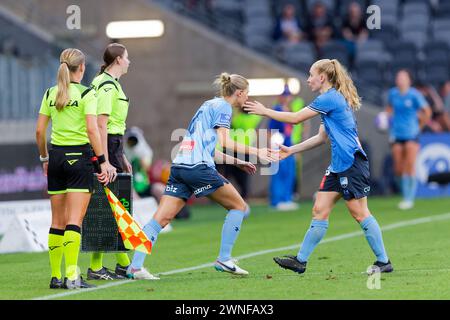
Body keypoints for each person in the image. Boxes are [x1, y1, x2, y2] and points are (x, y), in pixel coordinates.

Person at [244, 59, 393, 275]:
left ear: (322, 77)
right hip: (338, 166)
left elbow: (295, 119)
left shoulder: (330, 98)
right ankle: (300, 261)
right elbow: (321, 137)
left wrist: (265, 110)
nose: (308, 79)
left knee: (359, 213)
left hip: (351, 164)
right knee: (319, 209)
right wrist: (292, 150)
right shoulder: (329, 100)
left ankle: (383, 261)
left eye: (311, 74)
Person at [126, 73, 278, 280]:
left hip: (180, 167)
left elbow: (210, 149)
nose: (247, 98)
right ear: (240, 93)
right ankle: (224, 259)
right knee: (239, 207)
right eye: (247, 94)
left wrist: (237, 161)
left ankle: (135, 267)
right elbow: (225, 142)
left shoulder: (207, 106)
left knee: (160, 219)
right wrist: (257, 152)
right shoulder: (224, 108)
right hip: (198, 169)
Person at [35, 48, 109, 289]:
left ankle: (56, 277)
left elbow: (39, 132)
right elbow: (92, 130)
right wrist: (102, 160)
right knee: (74, 221)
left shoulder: (50, 93)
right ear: (83, 68)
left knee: (57, 221)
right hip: (79, 158)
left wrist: (44, 158)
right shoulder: (88, 94)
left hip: (55, 157)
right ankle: (72, 275)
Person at [87, 43, 134, 280]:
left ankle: (110, 265)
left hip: (113, 146)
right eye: (127, 58)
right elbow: (101, 124)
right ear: (117, 60)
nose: (129, 62)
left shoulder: (106, 83)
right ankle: (125, 264)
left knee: (110, 206)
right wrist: (105, 160)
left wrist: (121, 155)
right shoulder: (107, 85)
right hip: (107, 146)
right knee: (114, 207)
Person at [386, 70, 431, 210]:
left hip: (412, 133)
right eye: (398, 77)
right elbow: (389, 109)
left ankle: (408, 198)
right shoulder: (392, 94)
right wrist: (385, 119)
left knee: (409, 165)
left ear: (409, 80)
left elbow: (427, 111)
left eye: (403, 77)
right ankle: (405, 192)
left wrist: (420, 125)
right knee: (398, 168)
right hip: (396, 134)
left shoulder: (414, 95)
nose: (400, 79)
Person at [268, 86, 298, 210]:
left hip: (289, 145)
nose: (287, 98)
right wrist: (271, 148)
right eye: (285, 95)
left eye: (288, 95)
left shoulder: (290, 110)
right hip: (278, 146)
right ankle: (277, 201)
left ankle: (287, 199)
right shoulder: (277, 110)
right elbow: (270, 131)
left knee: (289, 172)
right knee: (278, 173)